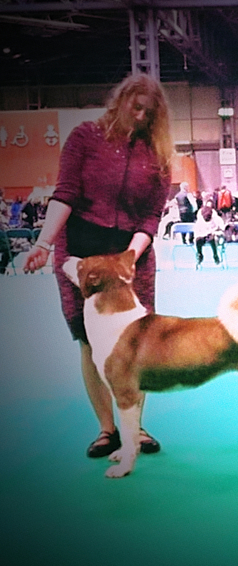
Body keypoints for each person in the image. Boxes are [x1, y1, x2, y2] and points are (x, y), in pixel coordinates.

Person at [23, 73, 173, 458]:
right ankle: (107, 429)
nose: (140, 116)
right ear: (120, 100)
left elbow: (152, 217)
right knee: (89, 340)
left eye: (149, 112)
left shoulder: (158, 153)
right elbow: (65, 194)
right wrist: (43, 243)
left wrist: (131, 257)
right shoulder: (85, 137)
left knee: (135, 341)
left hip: (131, 252)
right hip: (81, 248)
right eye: (135, 107)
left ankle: (135, 428)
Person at [194, 198, 225, 266]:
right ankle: (199, 255)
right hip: (203, 236)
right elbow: (196, 233)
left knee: (212, 238)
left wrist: (215, 232)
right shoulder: (199, 222)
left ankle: (215, 255)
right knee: (198, 240)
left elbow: (222, 230)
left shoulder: (217, 219)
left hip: (214, 236)